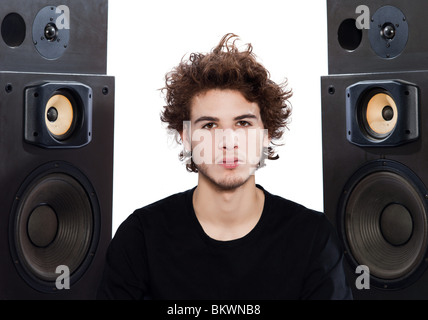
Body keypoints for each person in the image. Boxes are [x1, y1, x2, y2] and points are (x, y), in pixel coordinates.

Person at [97, 33, 353, 300]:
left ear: (266, 134)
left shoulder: (311, 237)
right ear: (186, 138)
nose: (228, 142)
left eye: (243, 123)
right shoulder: (141, 238)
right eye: (209, 125)